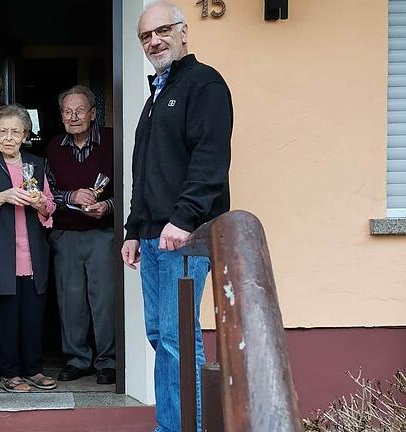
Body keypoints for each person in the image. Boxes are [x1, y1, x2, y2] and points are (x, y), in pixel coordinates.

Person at [121, 2, 233, 431]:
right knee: (161, 338)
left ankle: (187, 428)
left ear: (184, 32)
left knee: (178, 339)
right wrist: (133, 229)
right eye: (146, 36)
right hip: (152, 239)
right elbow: (144, 171)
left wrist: (184, 219)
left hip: (185, 237)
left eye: (163, 30)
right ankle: (170, 426)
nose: (155, 41)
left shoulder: (204, 85)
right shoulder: (156, 96)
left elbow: (210, 160)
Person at [0, 104, 58, 393]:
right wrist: (4, 196)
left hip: (33, 256)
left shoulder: (36, 164)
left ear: (25, 135)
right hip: (0, 256)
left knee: (32, 317)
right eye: (2, 131)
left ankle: (34, 370)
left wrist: (41, 202)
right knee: (6, 319)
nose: (8, 137)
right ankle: (9, 372)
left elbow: (50, 206)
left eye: (15, 132)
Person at [45, 85, 116, 385]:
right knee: (70, 300)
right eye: (67, 112)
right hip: (66, 234)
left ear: (93, 113)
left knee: (105, 300)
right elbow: (45, 192)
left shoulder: (113, 141)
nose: (73, 117)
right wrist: (71, 197)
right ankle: (77, 359)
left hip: (102, 233)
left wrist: (107, 206)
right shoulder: (52, 147)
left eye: (79, 111)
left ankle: (109, 361)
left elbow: (128, 185)